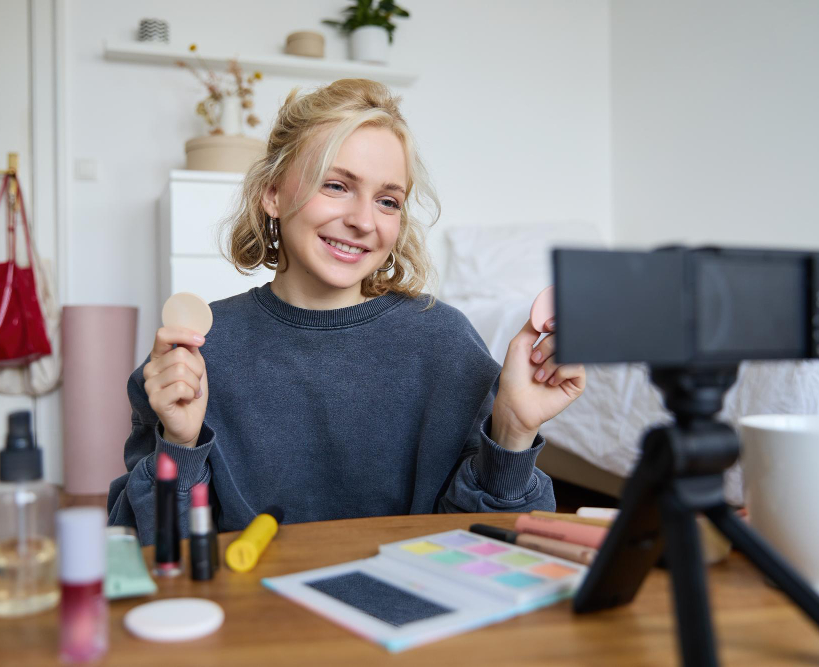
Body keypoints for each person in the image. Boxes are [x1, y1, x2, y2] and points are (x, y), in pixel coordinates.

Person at [108, 79, 586, 545]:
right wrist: (180, 446)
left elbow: (489, 546)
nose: (363, 221)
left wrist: (513, 430)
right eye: (336, 185)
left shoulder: (444, 342)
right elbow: (145, 548)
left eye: (387, 201)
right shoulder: (198, 350)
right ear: (272, 193)